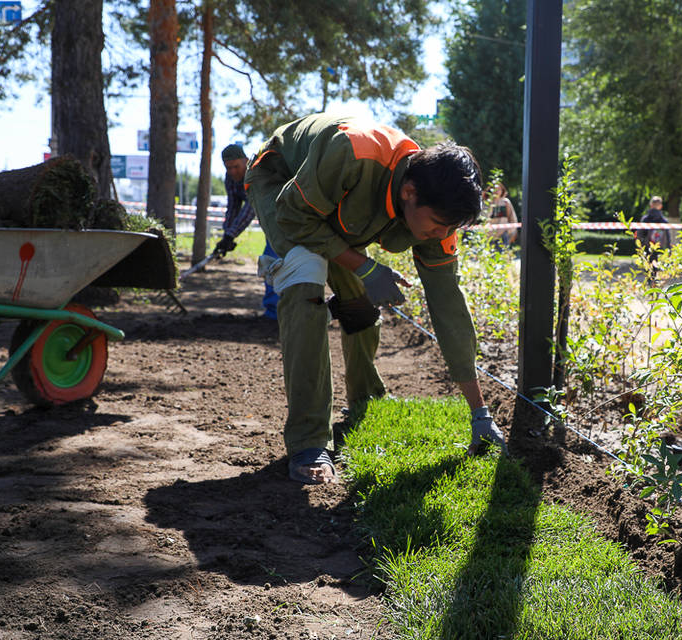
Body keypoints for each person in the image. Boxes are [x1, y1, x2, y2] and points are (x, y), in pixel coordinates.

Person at [244, 113, 507, 484]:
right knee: (305, 285)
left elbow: (448, 305)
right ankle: (309, 441)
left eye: (450, 228)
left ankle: (365, 396)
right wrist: (365, 268)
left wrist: (480, 413)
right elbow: (293, 216)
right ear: (409, 193)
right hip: (281, 181)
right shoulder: (353, 152)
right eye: (438, 224)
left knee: (359, 302)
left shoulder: (436, 210)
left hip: (331, 206)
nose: (441, 234)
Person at [217, 143, 279, 319]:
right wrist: (225, 235)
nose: (233, 171)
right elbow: (233, 207)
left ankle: (273, 313)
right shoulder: (230, 179)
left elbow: (250, 209)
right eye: (228, 168)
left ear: (246, 161)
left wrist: (231, 234)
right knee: (271, 264)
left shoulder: (256, 174)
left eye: (236, 166)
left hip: (281, 220)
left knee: (271, 263)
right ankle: (274, 311)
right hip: (268, 223)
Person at [635, 196, 672, 281]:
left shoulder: (645, 219)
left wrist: (640, 247)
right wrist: (669, 249)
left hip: (647, 248)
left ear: (650, 205)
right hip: (660, 249)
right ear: (661, 206)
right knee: (659, 271)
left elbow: (640, 234)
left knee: (649, 271)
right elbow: (668, 237)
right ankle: (656, 289)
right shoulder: (664, 221)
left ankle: (651, 287)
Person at [482, 182, 518, 247]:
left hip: (503, 235)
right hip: (488, 236)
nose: (497, 191)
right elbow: (484, 218)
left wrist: (509, 231)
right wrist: (491, 203)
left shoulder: (506, 202)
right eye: (494, 189)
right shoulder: (486, 203)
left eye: (499, 189)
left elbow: (512, 218)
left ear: (502, 190)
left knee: (503, 256)